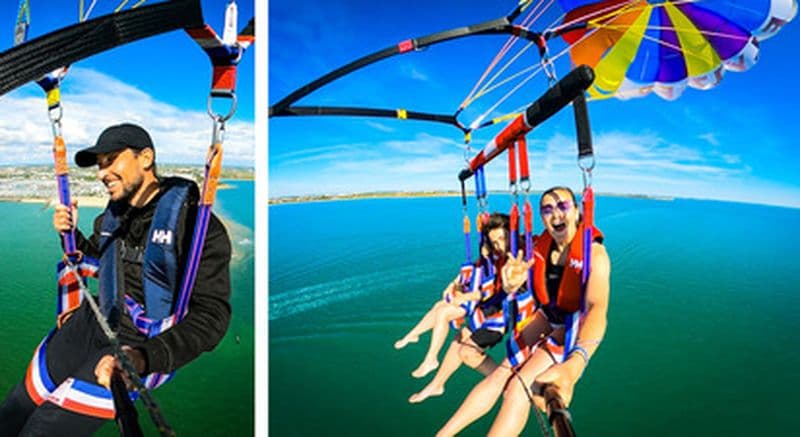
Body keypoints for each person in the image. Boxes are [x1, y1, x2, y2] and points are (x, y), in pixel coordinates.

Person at [0, 123, 232, 436]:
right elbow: (98, 260)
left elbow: (212, 315)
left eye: (110, 160)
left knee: (42, 430)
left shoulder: (196, 228)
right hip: (96, 318)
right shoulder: (109, 219)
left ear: (145, 158)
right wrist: (70, 235)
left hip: (137, 344)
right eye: (99, 165)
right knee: (16, 408)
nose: (101, 173)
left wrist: (145, 358)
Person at [436, 186, 610, 436]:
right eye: (547, 209)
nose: (556, 214)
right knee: (500, 377)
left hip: (570, 327)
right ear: (541, 217)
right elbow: (514, 259)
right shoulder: (540, 246)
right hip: (545, 318)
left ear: (577, 211)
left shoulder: (594, 255)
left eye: (563, 206)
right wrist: (509, 284)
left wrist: (576, 362)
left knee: (516, 388)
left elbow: (596, 310)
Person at [396, 213, 512, 395]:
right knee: (442, 312)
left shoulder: (507, 261)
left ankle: (431, 358)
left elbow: (494, 291)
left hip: (494, 309)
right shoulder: (490, 259)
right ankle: (434, 379)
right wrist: (452, 285)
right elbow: (472, 273)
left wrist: (464, 298)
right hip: (485, 304)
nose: (498, 246)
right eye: (493, 242)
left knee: (445, 315)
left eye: (502, 239)